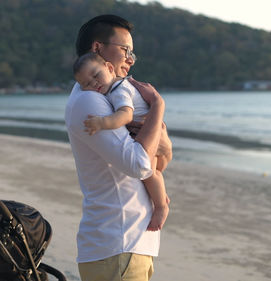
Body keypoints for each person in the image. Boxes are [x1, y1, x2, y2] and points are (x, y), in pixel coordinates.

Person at [64, 14, 172, 281]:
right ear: (98, 48)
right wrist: (158, 106)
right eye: (125, 50)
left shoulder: (108, 96)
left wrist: (160, 140)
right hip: (118, 246)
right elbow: (139, 165)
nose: (131, 59)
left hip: (125, 247)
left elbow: (158, 156)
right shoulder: (91, 100)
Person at [72, 52, 171, 231]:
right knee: (153, 172)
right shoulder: (109, 89)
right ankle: (161, 197)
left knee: (151, 173)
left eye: (96, 76)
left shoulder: (118, 89)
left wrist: (103, 122)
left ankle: (161, 205)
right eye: (87, 84)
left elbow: (126, 115)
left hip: (146, 132)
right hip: (146, 133)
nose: (94, 83)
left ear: (110, 68)